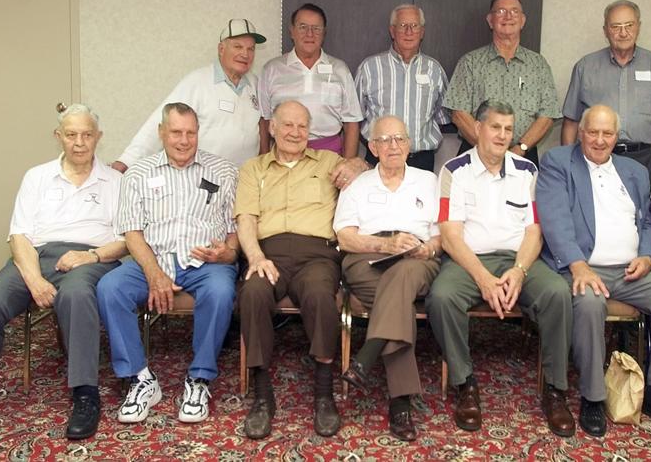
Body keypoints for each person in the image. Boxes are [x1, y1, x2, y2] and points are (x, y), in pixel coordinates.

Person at [537, 104, 651, 437]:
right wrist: (578, 266)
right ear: (580, 133)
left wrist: (649, 258)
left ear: (616, 136)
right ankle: (593, 396)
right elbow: (553, 219)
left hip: (630, 271)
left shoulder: (634, 170)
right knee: (590, 303)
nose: (599, 140)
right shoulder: (557, 163)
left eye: (607, 133)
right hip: (582, 267)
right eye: (592, 132)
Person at [0, 104, 126, 439]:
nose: (79, 142)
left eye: (87, 135)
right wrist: (34, 280)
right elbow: (19, 236)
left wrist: (91, 255)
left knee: (75, 295)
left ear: (98, 138)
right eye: (71, 134)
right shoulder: (37, 176)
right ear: (58, 137)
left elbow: (125, 241)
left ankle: (85, 393)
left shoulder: (115, 181)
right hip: (36, 258)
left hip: (91, 260)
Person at [427, 100, 574, 437]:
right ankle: (464, 383)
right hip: (468, 260)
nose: (503, 135)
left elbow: (534, 231)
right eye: (495, 127)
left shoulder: (527, 171)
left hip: (516, 259)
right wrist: (482, 278)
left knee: (557, 293)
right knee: (442, 297)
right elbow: (449, 235)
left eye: (509, 129)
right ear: (478, 128)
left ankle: (555, 389)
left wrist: (520, 271)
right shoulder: (453, 170)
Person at [97, 103, 239, 424]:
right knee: (110, 288)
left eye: (190, 133)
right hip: (154, 257)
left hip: (206, 262)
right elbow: (132, 233)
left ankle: (199, 378)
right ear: (161, 132)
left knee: (221, 290)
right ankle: (140, 378)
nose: (184, 140)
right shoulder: (138, 174)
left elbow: (235, 232)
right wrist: (154, 273)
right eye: (176, 132)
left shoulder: (224, 171)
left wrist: (228, 254)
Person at [235, 100, 367, 439]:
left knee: (323, 296)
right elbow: (246, 219)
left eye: (302, 126)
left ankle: (324, 394)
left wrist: (358, 164)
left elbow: (366, 170)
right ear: (272, 129)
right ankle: (262, 397)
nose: (295, 132)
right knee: (251, 292)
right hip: (269, 254)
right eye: (288, 125)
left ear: (310, 132)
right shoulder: (254, 169)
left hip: (317, 256)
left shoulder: (328, 163)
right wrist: (255, 258)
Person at [335, 116, 442, 441]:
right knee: (397, 301)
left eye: (400, 139)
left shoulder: (429, 180)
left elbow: (443, 233)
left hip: (416, 259)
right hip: (367, 258)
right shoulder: (359, 183)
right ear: (373, 147)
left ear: (410, 145)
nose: (394, 146)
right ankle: (400, 404)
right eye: (386, 140)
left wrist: (429, 249)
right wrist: (385, 244)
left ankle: (368, 360)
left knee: (400, 281)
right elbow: (345, 236)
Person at [112, 19, 266, 171]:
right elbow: (162, 120)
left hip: (244, 181)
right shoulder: (197, 81)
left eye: (251, 49)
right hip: (204, 180)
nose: (245, 54)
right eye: (238, 46)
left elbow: (262, 128)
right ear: (221, 49)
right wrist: (126, 161)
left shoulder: (255, 84)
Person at [561, 0, 651, 180]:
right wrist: (567, 165)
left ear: (638, 27)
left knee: (645, 209)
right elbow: (571, 122)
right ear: (605, 31)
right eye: (616, 26)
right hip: (596, 157)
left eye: (629, 25)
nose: (623, 32)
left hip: (645, 158)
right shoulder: (585, 67)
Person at [443, 0, 560, 167]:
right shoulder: (470, 62)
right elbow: (459, 113)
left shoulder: (538, 64)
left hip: (523, 156)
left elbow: (548, 115)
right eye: (501, 11)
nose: (508, 16)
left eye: (514, 12)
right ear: (490, 21)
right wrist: (488, 148)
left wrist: (519, 149)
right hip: (478, 155)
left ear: (523, 20)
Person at [258, 3, 362, 157]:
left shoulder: (339, 69)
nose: (310, 34)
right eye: (303, 27)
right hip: (283, 156)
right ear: (292, 31)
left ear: (324, 33)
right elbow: (265, 119)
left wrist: (348, 163)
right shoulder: (272, 69)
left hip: (328, 155)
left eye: (316, 28)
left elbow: (352, 122)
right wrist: (263, 160)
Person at [355, 4, 451, 171]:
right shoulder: (369, 68)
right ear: (392, 31)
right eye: (402, 26)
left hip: (421, 161)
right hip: (378, 159)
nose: (409, 31)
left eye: (414, 26)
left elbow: (443, 117)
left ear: (422, 32)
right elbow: (355, 116)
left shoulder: (435, 70)